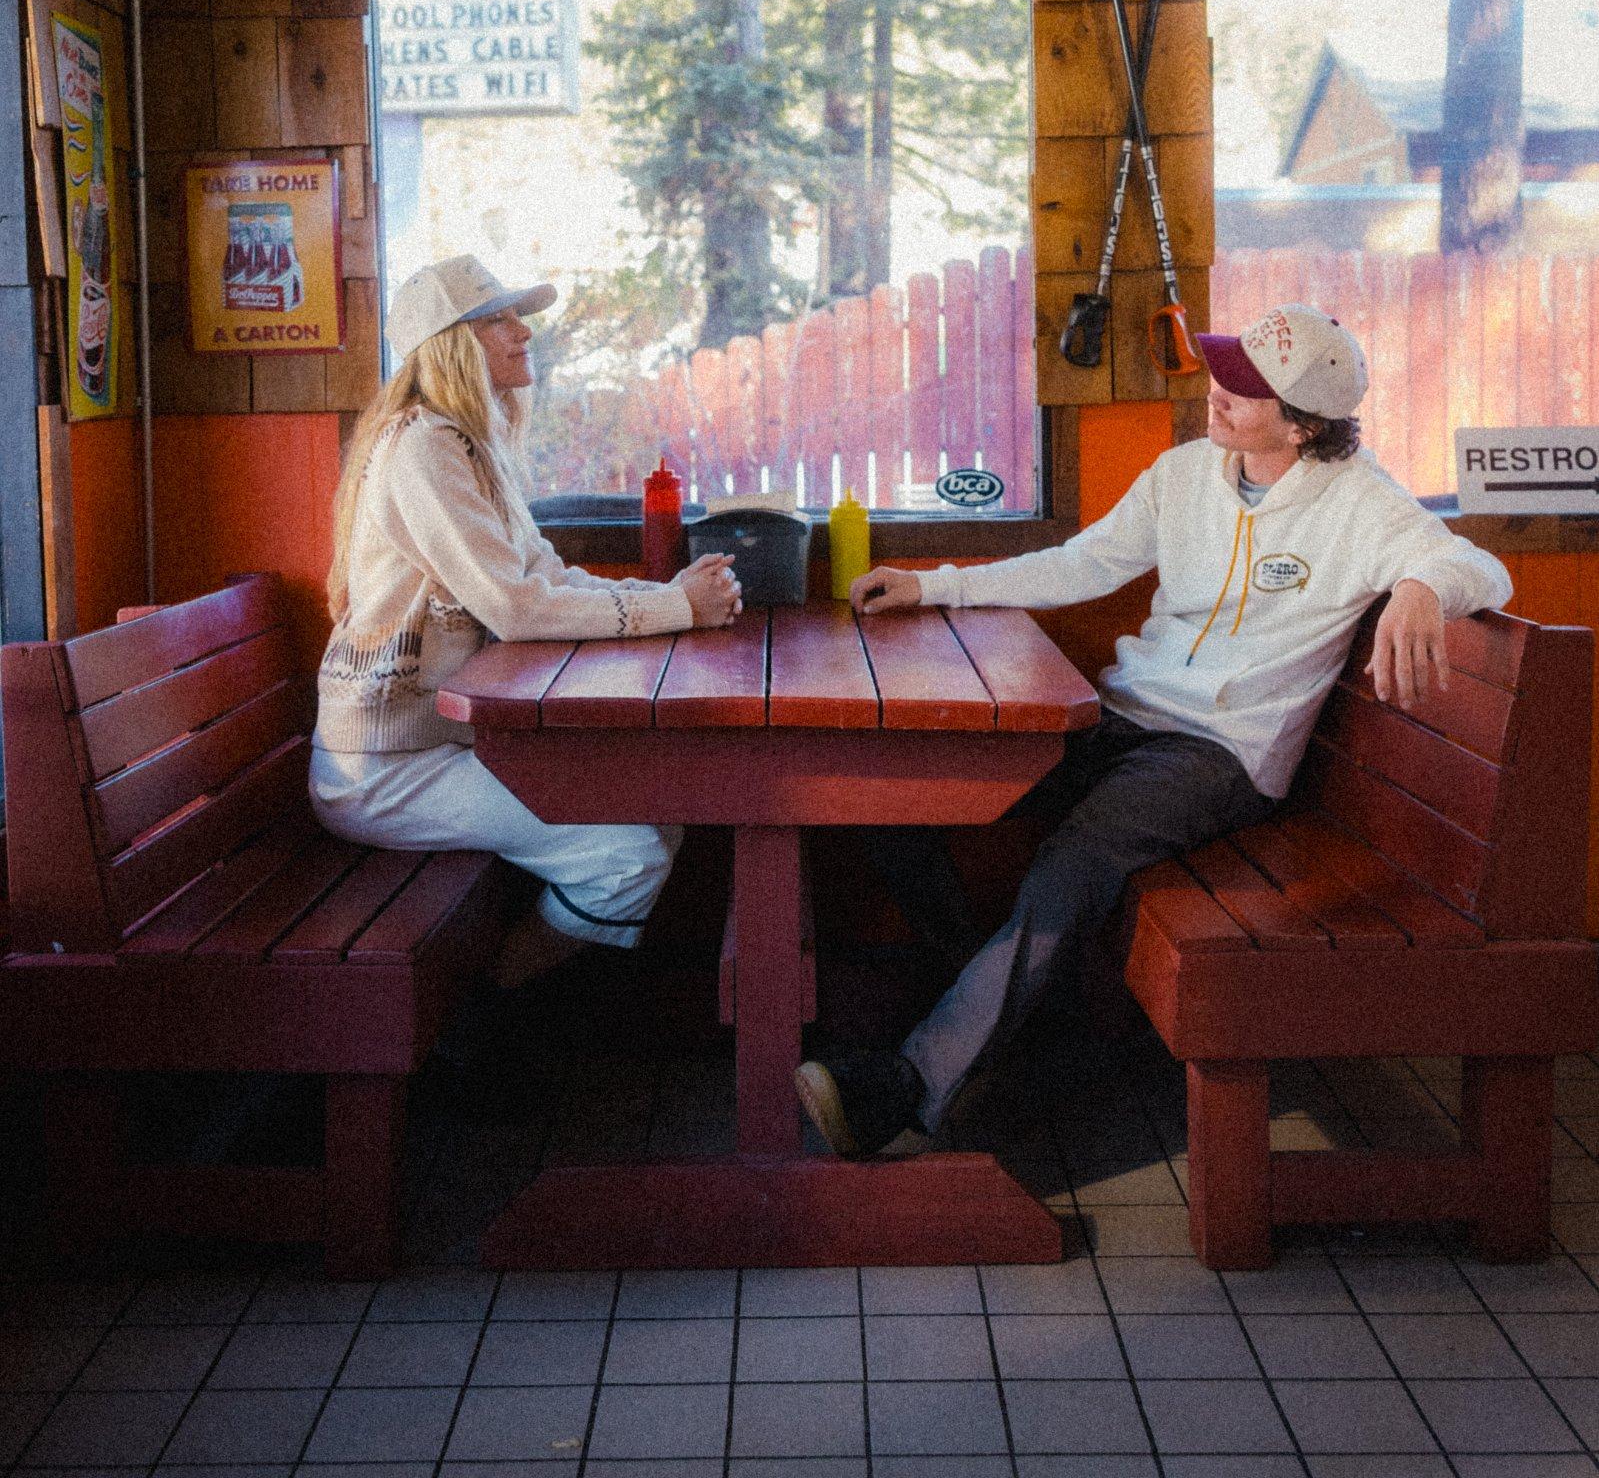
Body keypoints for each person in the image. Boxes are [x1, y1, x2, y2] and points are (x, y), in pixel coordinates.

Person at [796, 304, 1513, 1160]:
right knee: (898, 800)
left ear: (1304, 424)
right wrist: (934, 586)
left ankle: (907, 1087)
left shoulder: (1362, 503)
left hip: (1220, 754)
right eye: (1223, 371)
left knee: (1074, 862)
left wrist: (1423, 588)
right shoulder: (1183, 474)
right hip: (1122, 718)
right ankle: (1001, 1019)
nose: (1216, 393)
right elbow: (1081, 563)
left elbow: (1480, 564)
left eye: (1244, 390)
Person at [309, 253, 741, 990]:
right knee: (624, 856)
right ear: (452, 342)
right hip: (385, 769)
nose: (523, 332)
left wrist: (669, 598)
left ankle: (500, 1016)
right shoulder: (422, 448)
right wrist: (673, 607)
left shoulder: (472, 443)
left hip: (442, 743)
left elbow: (539, 576)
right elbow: (514, 607)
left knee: (656, 806)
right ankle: (477, 1017)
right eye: (498, 319)